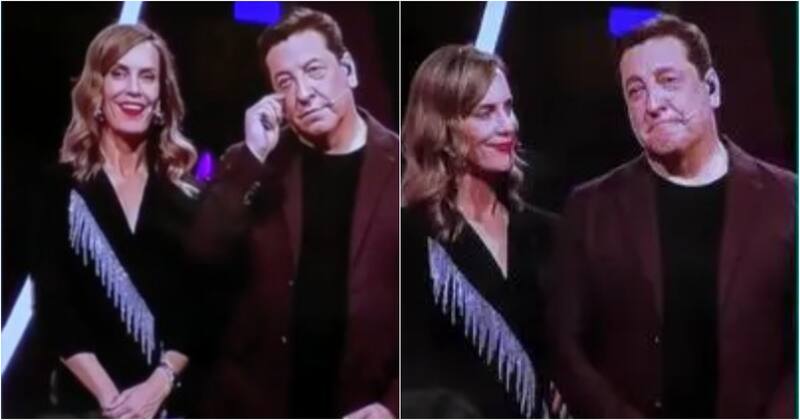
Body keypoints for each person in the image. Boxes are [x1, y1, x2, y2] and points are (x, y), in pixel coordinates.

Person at [549, 14, 796, 418]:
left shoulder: (787, 199)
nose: (653, 104)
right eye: (636, 91)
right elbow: (566, 348)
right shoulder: (590, 209)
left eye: (668, 80)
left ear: (711, 88)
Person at [190, 7, 398, 418]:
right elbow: (203, 253)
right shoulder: (253, 163)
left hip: (361, 404)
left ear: (349, 70)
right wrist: (252, 159)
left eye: (314, 70)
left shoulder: (405, 167)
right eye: (285, 82)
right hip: (260, 402)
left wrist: (395, 404)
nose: (303, 93)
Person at [30, 23, 198, 418]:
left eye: (147, 76)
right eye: (119, 74)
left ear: (161, 97)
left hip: (170, 404)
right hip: (86, 406)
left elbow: (199, 310)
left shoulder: (188, 196)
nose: (134, 89)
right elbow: (54, 308)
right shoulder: (57, 187)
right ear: (96, 89)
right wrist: (115, 404)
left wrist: (158, 387)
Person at [401, 45, 558, 418]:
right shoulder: (409, 238)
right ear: (442, 127)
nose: (508, 125)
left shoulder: (550, 233)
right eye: (486, 113)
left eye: (508, 107)